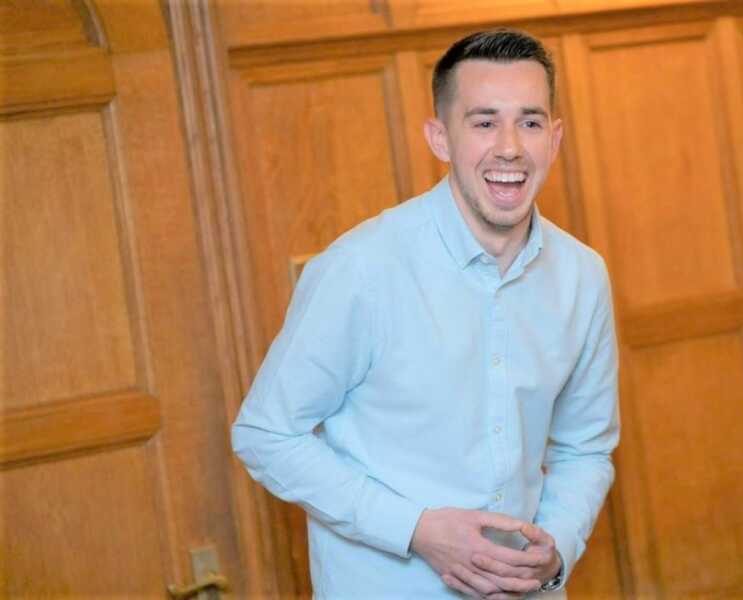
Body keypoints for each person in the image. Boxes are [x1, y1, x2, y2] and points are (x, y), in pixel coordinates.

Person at [232, 28, 619, 599]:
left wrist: (557, 547)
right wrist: (416, 529)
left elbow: (586, 447)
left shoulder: (583, 275)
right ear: (440, 138)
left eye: (530, 122)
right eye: (483, 122)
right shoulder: (359, 269)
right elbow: (265, 434)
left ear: (554, 139)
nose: (510, 146)